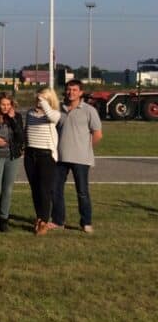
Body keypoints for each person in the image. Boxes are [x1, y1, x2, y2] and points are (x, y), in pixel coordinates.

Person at [52, 80, 103, 234]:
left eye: (74, 90)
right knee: (56, 190)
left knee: (82, 192)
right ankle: (58, 221)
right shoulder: (58, 109)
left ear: (80, 92)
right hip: (60, 157)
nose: (71, 92)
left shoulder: (89, 110)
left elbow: (97, 134)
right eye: (68, 89)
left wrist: (85, 148)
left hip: (81, 159)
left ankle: (86, 222)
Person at [24, 87, 61, 235]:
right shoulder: (30, 113)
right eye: (38, 98)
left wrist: (44, 102)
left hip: (46, 156)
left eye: (43, 98)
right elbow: (27, 130)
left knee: (44, 190)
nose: (38, 101)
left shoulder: (54, 114)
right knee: (35, 189)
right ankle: (39, 216)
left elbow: (52, 117)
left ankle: (44, 221)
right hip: (30, 154)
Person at [0, 93, 24, 233]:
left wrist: (13, 119)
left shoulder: (17, 117)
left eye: (8, 104)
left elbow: (20, 137)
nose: (6, 107)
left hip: (12, 156)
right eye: (3, 104)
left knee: (7, 190)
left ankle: (3, 219)